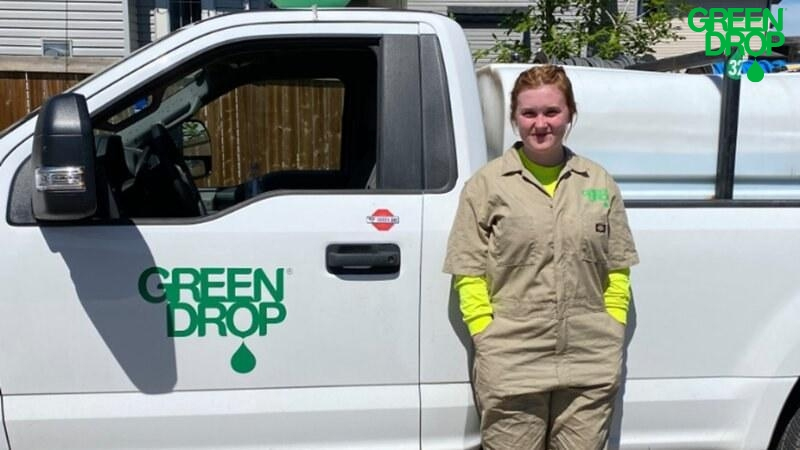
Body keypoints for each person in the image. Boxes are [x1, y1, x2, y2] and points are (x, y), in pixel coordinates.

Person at [443, 65, 639, 450]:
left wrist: (612, 325)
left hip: (590, 358)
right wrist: (485, 333)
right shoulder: (487, 186)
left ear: (570, 114)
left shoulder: (598, 183)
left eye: (552, 112)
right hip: (512, 358)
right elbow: (468, 272)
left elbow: (618, 267)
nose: (540, 124)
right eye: (529, 113)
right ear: (515, 118)